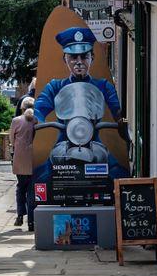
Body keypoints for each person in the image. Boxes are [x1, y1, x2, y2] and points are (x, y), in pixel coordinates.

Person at [33, 27, 129, 185]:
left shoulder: (103, 86)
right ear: (65, 59)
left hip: (94, 140)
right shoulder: (55, 86)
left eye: (84, 56)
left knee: (118, 176)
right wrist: (35, 120)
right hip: (65, 139)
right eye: (73, 57)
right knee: (41, 178)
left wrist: (121, 120)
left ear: (92, 57)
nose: (78, 62)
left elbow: (116, 107)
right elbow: (40, 106)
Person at [10, 102, 38, 230]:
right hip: (33, 158)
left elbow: (11, 140)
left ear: (22, 108)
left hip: (20, 159)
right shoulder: (36, 120)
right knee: (31, 191)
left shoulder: (16, 121)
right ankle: (32, 222)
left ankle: (20, 215)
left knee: (21, 188)